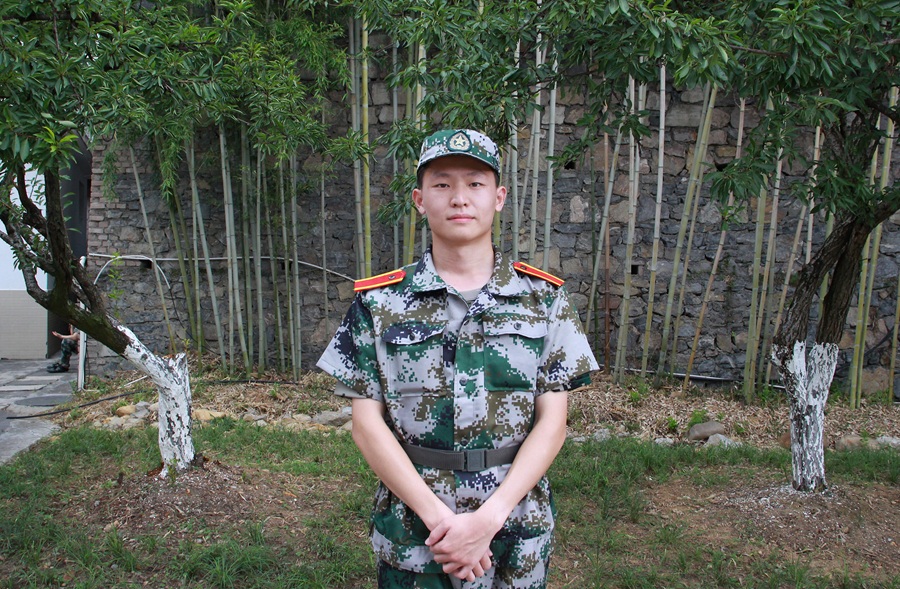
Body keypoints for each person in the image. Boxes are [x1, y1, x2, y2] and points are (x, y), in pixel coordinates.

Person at [317, 128, 598, 588]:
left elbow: (554, 421)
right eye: (443, 184)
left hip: (515, 523)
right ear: (419, 200)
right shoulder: (379, 303)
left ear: (499, 197)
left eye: (475, 183)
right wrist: (441, 522)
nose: (459, 198)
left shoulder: (544, 299)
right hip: (415, 527)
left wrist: (487, 520)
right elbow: (366, 424)